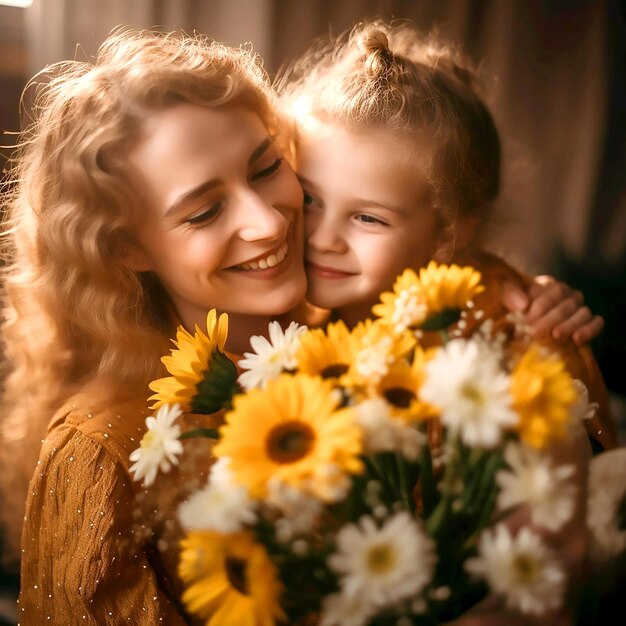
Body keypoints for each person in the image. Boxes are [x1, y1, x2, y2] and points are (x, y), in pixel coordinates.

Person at [0, 24, 606, 626]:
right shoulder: (103, 455)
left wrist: (527, 300)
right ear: (126, 247)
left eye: (267, 168)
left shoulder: (356, 328)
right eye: (205, 210)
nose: (270, 222)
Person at [275, 18, 617, 625]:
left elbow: (548, 553)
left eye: (368, 219)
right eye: (309, 198)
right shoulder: (294, 313)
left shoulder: (510, 326)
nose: (322, 238)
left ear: (447, 236)